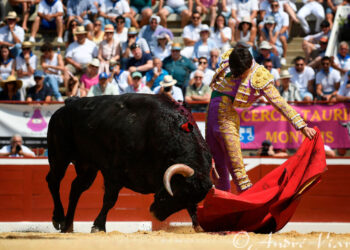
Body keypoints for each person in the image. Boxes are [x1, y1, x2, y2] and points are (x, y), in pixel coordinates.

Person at [206, 48, 316, 193]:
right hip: (211, 117)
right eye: (233, 70)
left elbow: (280, 103)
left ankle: (250, 204)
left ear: (248, 66)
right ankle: (221, 208)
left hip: (226, 120)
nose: (235, 74)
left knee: (237, 169)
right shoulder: (230, 58)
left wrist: (302, 126)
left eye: (239, 72)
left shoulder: (259, 75)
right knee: (218, 170)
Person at [64, 26, 98, 93]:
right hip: (74, 64)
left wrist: (90, 65)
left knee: (91, 68)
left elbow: (96, 57)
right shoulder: (72, 45)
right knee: (66, 69)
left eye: (81, 35)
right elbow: (67, 58)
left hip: (88, 64)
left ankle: (88, 91)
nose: (80, 36)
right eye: (78, 35)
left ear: (85, 35)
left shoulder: (92, 44)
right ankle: (67, 92)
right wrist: (75, 63)